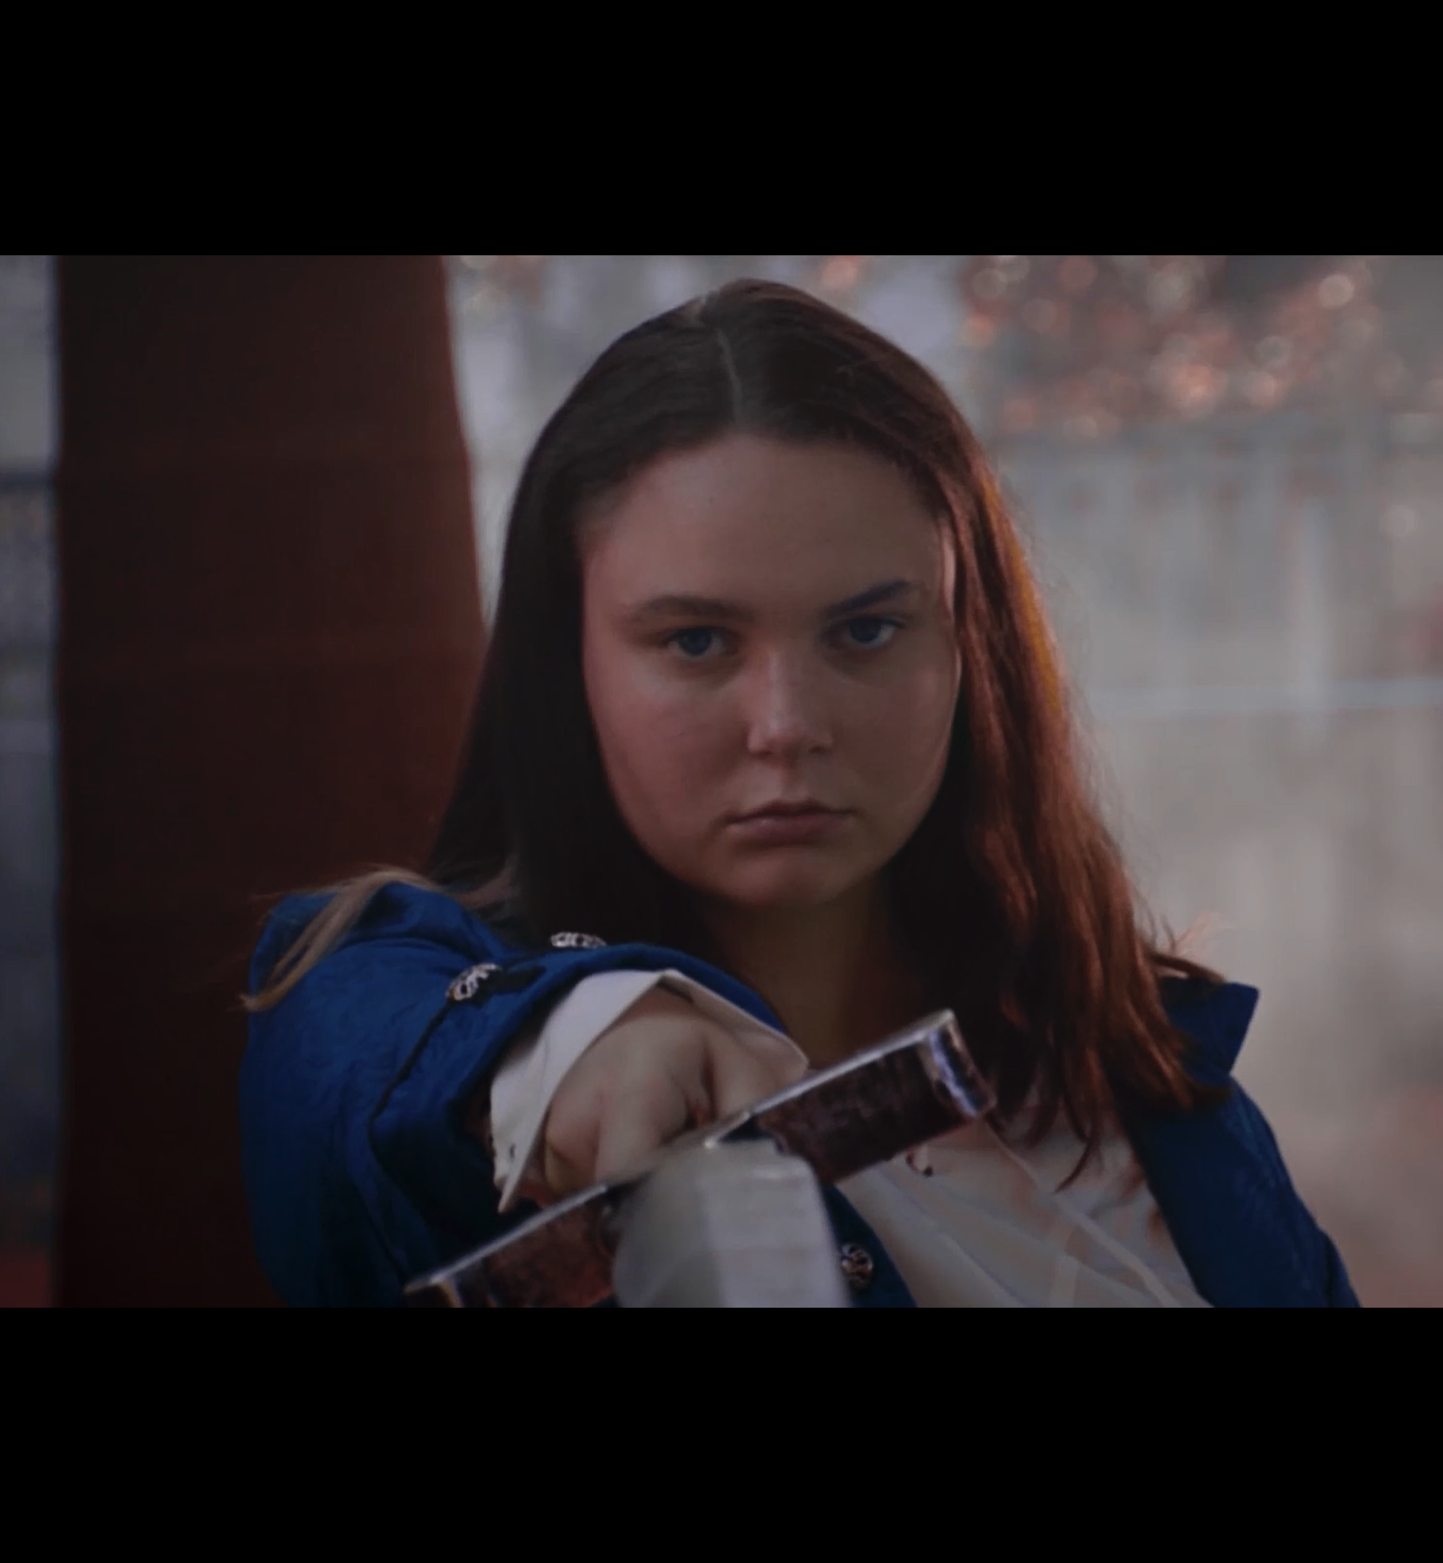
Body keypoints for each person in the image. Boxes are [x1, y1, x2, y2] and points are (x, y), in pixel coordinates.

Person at [238, 278, 1360, 1307]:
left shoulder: (1138, 1076)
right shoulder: (430, 1041)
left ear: (968, 649)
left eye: (865, 630)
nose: (786, 725)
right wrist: (550, 1042)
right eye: (696, 640)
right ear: (566, 665)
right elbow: (343, 1039)